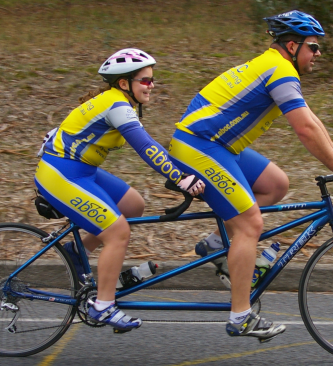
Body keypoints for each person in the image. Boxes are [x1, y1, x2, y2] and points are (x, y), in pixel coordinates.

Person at [167, 10, 333, 341]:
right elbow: (305, 130)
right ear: (292, 45)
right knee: (251, 224)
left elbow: (313, 122)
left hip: (218, 145)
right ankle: (241, 316)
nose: (318, 54)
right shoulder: (278, 70)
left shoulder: (276, 67)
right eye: (313, 47)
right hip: (199, 146)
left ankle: (218, 245)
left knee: (276, 184)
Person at [34, 48, 205, 332]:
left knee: (133, 206)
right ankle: (103, 306)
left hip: (81, 171)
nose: (152, 86)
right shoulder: (118, 106)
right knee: (117, 232)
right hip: (60, 174)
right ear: (124, 83)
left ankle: (77, 251)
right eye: (145, 81)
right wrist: (180, 177)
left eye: (152, 80)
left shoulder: (116, 101)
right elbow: (147, 148)